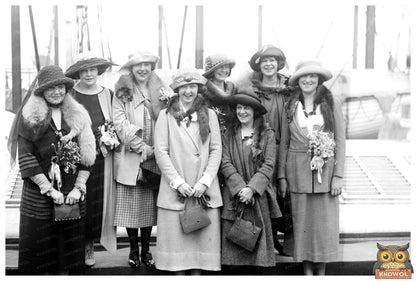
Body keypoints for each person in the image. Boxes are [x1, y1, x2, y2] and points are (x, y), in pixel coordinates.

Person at [8, 65, 96, 274]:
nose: (57, 92)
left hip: (72, 196)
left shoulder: (78, 114)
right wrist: (49, 190)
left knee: (70, 255)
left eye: (61, 87)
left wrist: (79, 187)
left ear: (66, 89)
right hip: (39, 198)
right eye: (51, 88)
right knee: (40, 256)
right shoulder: (30, 116)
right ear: (42, 91)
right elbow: (26, 157)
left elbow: (88, 155)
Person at [277, 60, 345, 275]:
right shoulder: (291, 105)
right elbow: (285, 143)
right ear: (297, 80)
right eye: (304, 77)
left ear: (319, 80)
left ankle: (321, 273)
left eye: (313, 76)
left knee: (324, 226)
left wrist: (338, 176)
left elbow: (340, 141)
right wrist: (281, 177)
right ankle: (306, 273)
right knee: (301, 225)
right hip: (296, 174)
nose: (308, 80)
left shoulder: (330, 103)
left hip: (325, 175)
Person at [154, 68, 223, 275]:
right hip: (177, 190)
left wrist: (205, 181)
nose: (188, 91)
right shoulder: (165, 116)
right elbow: (161, 151)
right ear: (176, 89)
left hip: (203, 190)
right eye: (184, 87)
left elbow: (216, 149)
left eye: (192, 86)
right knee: (178, 254)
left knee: (200, 252)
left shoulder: (209, 115)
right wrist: (178, 182)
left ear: (198, 88)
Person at [112, 51, 170, 269]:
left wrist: (158, 149)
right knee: (131, 206)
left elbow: (172, 117)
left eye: (147, 64)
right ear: (131, 68)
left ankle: (147, 250)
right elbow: (119, 121)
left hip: (157, 156)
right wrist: (140, 146)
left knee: (149, 207)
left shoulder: (163, 90)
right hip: (132, 156)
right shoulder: (122, 92)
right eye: (139, 65)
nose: (143, 69)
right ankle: (133, 250)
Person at [235, 44, 292, 255]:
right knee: (264, 190)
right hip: (261, 145)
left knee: (283, 191)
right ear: (259, 65)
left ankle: (282, 237)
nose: (269, 64)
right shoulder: (254, 88)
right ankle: (267, 239)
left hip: (285, 146)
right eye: (265, 61)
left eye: (273, 60)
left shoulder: (289, 88)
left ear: (279, 64)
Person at [65, 52, 118, 266]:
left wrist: (109, 137)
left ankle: (90, 246)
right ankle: (73, 245)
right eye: (84, 70)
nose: (88, 73)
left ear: (99, 71)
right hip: (76, 157)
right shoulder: (70, 94)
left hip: (102, 159)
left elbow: (114, 123)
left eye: (92, 69)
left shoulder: (108, 94)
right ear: (78, 73)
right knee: (77, 198)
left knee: (97, 204)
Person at [220, 90, 282, 270]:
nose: (242, 112)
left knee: (257, 254)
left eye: (246, 108)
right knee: (234, 253)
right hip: (234, 196)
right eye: (239, 107)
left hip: (257, 197)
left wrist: (251, 188)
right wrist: (240, 188)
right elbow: (225, 162)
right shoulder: (229, 134)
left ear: (255, 111)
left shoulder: (267, 134)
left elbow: (269, 164)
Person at [201, 53, 236, 131]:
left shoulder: (234, 91)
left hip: (231, 138)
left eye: (226, 67)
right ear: (212, 71)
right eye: (220, 67)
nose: (224, 70)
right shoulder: (202, 94)